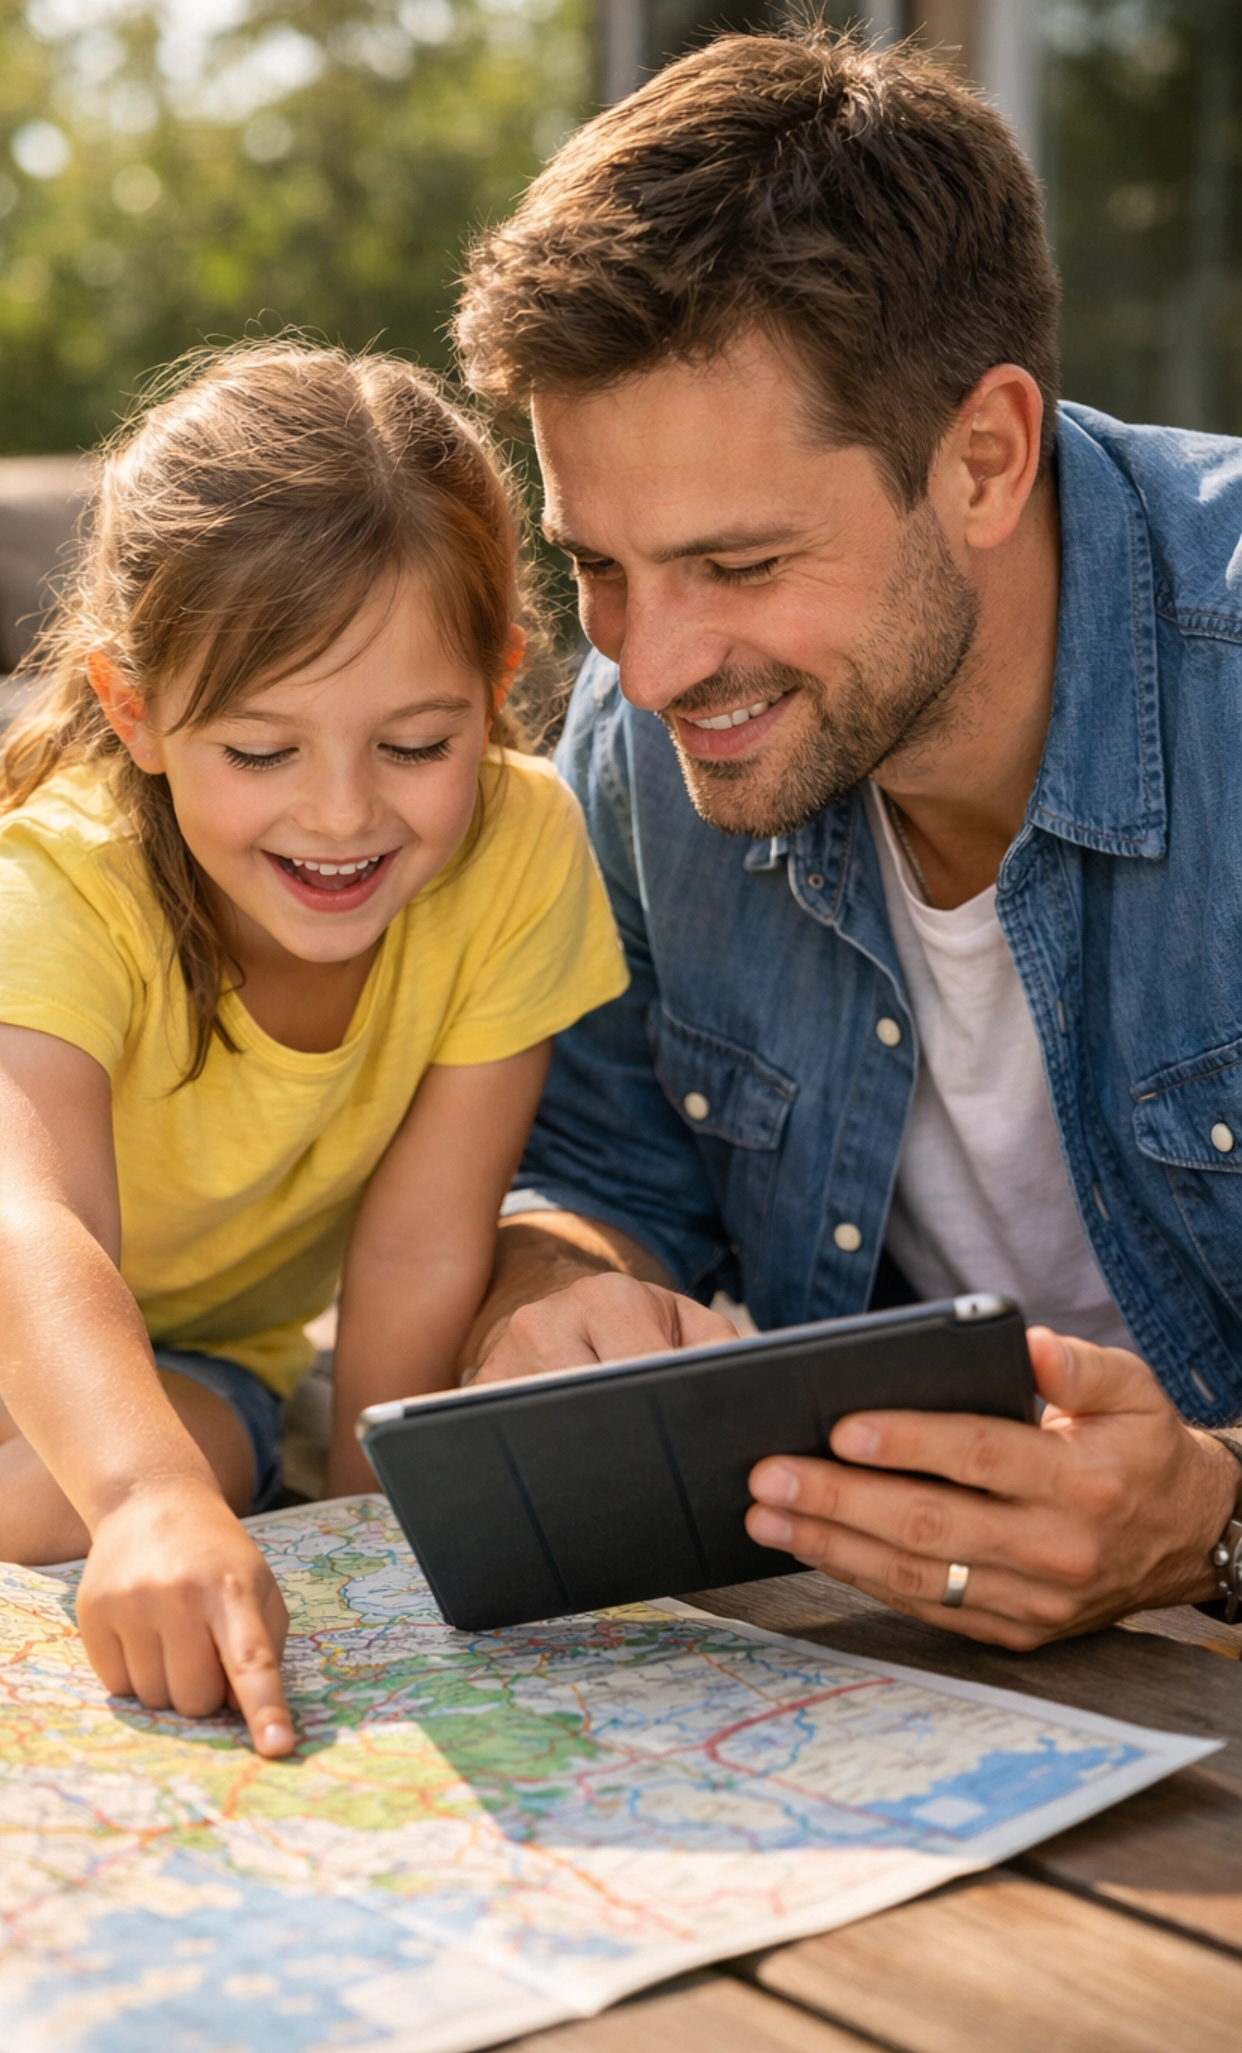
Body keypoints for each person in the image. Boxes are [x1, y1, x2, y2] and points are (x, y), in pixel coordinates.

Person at [0, 344, 627, 1744]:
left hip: (183, 1349)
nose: (339, 816)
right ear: (135, 709)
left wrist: (368, 1543)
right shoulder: (63, 867)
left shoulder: (524, 851)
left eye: (417, 744)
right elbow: (32, 1221)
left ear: (498, 678)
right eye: (261, 753)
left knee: (83, 1498)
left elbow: (421, 1245)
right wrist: (139, 1503)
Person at [451, 28, 1242, 1648]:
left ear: (984, 459)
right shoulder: (637, 742)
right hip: (916, 1686)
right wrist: (552, 1298)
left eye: (737, 567)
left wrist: (1213, 1526)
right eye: (596, 564)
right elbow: (594, 1171)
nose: (649, 666)